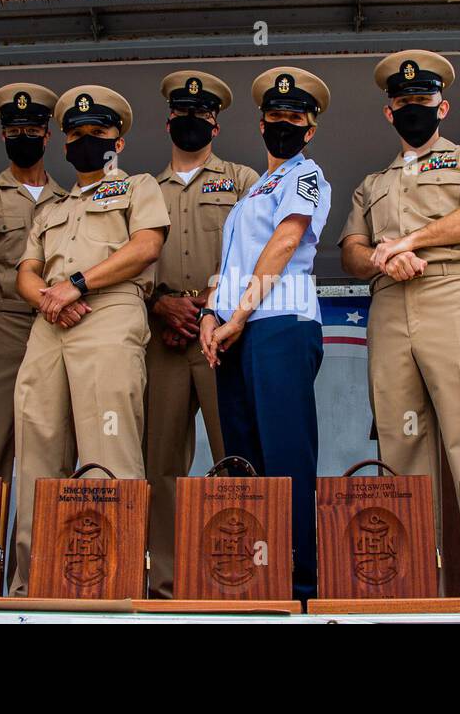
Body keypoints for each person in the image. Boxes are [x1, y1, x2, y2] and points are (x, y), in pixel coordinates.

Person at [339, 50, 460, 512]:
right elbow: (351, 251)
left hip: (454, 294)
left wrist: (410, 242)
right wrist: (383, 258)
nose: (412, 108)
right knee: (401, 447)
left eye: (423, 98)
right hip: (390, 305)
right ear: (389, 112)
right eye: (403, 101)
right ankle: (414, 581)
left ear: (442, 107)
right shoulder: (372, 183)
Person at [11, 85, 169, 596]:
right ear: (63, 144)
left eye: (97, 133)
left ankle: (115, 584)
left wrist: (75, 285)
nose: (85, 141)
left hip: (108, 312)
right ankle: (33, 584)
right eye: (76, 134)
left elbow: (146, 246)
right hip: (49, 322)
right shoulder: (50, 207)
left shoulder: (139, 186)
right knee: (37, 452)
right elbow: (26, 272)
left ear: (117, 141)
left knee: (109, 450)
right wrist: (49, 299)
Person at [200, 66, 330, 601]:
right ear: (260, 125)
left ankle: (299, 584)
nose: (284, 124)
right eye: (275, 116)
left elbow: (284, 243)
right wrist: (212, 314)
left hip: (280, 323)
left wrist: (235, 316)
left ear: (310, 128)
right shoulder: (254, 189)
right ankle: (253, 580)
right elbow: (232, 264)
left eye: (294, 117)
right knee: (245, 462)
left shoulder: (306, 174)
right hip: (240, 333)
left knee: (286, 458)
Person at [144, 70, 260, 599]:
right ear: (170, 120)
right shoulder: (142, 189)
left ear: (216, 123)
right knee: (160, 467)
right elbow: (127, 265)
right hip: (163, 341)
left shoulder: (242, 179)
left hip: (224, 341)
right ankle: (166, 584)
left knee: (236, 460)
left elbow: (258, 252)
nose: (192, 122)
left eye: (202, 115)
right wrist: (159, 306)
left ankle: (238, 580)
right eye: (183, 114)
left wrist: (210, 307)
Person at [0, 84, 66, 482]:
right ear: (4, 136)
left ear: (47, 136)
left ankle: (31, 547)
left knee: (50, 451)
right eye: (15, 131)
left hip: (52, 323)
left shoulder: (68, 199)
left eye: (32, 131)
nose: (24, 138)